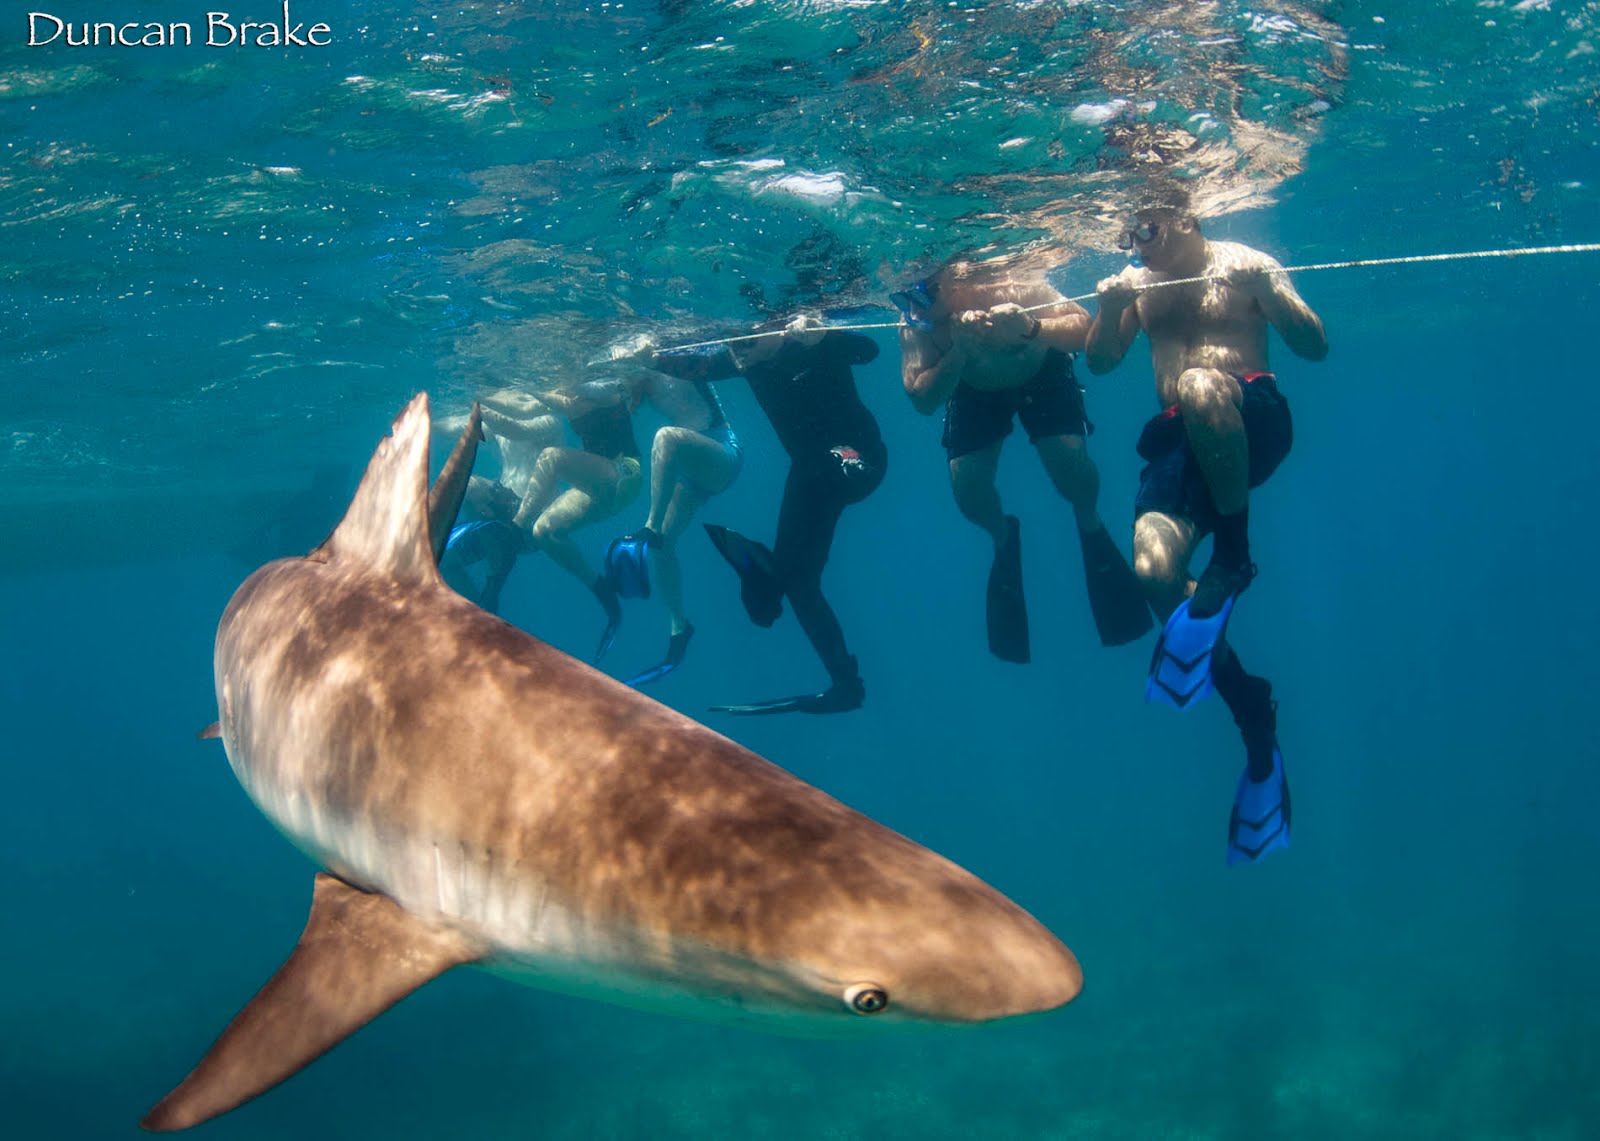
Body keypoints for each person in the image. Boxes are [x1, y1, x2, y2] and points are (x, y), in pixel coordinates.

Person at [1085, 200, 1327, 865]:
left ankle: (1235, 552)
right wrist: (1109, 310)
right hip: (1180, 439)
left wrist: (1277, 293)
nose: (1136, 241)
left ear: (1186, 219)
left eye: (1147, 228)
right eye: (1128, 231)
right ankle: (1250, 709)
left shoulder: (1244, 264)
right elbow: (1101, 362)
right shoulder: (1137, 284)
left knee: (1198, 381)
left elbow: (1315, 345)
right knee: (1154, 573)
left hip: (1253, 412)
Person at [897, 259, 1151, 665]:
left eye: (921, 294)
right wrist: (959, 350)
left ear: (949, 281)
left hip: (1041, 372)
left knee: (1069, 468)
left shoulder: (1009, 283)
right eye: (902, 297)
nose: (913, 307)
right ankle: (1002, 536)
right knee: (968, 492)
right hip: (972, 387)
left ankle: (1088, 519)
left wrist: (1031, 328)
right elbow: (923, 400)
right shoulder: (915, 323)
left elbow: (1083, 328)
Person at [641, 313, 885, 714]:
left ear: (771, 333)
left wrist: (822, 336)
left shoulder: (804, 343)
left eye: (746, 344)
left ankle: (764, 572)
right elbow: (690, 366)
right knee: (796, 584)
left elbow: (868, 349)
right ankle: (846, 685)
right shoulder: (745, 358)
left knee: (826, 467)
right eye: (731, 348)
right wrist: (646, 355)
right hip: (809, 471)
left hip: (856, 457)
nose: (737, 356)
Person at [480, 379, 646, 662]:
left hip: (623, 474)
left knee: (551, 457)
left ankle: (514, 529)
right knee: (544, 532)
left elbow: (569, 403)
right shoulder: (566, 389)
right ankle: (602, 589)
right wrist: (480, 399)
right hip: (594, 483)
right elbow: (522, 412)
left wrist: (523, 383)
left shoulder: (602, 388)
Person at [602, 363, 743, 686]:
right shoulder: (636, 375)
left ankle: (649, 523)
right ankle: (679, 628)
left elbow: (709, 360)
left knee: (666, 436)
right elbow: (625, 403)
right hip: (687, 465)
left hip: (720, 449)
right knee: (662, 547)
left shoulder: (677, 355)